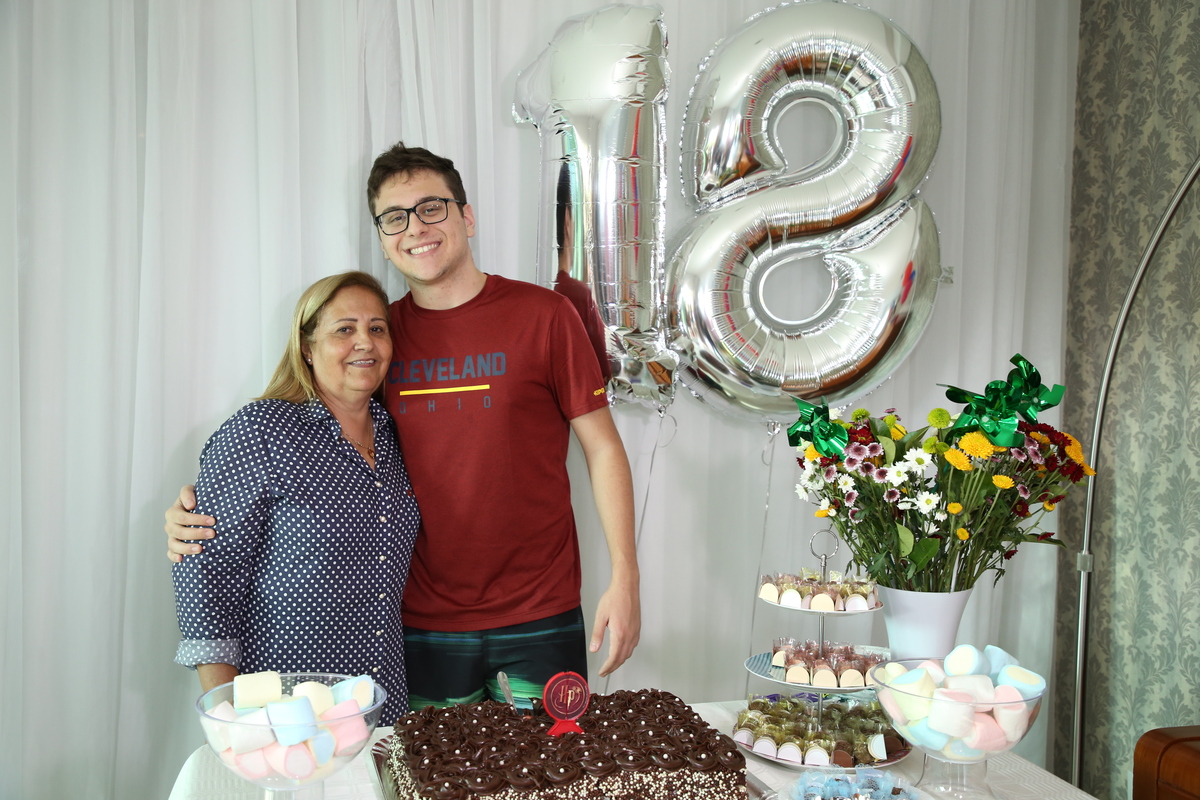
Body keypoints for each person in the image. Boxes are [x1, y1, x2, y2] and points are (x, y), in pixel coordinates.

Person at [167, 143, 640, 710]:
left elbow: (603, 448)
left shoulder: (545, 316)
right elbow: (323, 438)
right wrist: (201, 514)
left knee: (552, 763)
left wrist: (626, 577)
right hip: (416, 623)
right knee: (426, 765)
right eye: (395, 217)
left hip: (541, 610)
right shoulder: (379, 335)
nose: (415, 227)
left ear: (467, 216)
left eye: (431, 207)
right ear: (383, 235)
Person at [171, 271, 419, 723]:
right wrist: (228, 718)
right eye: (344, 329)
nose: (364, 342)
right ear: (307, 347)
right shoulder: (261, 431)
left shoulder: (397, 435)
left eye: (376, 328)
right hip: (282, 712)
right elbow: (206, 572)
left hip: (382, 702)